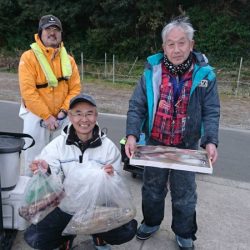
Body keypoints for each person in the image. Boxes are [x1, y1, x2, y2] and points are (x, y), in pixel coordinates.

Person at [125, 16, 220, 250]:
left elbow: (211, 111)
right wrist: (132, 135)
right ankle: (152, 222)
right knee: (152, 189)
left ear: (191, 44)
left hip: (186, 145)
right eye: (171, 44)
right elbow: (137, 106)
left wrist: (210, 141)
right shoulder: (152, 70)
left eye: (182, 43)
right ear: (164, 47)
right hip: (155, 141)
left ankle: (184, 232)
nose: (176, 49)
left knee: (185, 194)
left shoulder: (205, 75)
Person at [24, 93, 137, 250]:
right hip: (65, 206)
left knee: (127, 230)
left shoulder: (108, 148)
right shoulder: (56, 145)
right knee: (37, 238)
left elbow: (117, 187)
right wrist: (46, 170)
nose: (84, 119)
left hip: (97, 207)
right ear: (70, 116)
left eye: (89, 114)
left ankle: (98, 235)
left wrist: (112, 176)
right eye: (78, 114)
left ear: (96, 116)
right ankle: (66, 237)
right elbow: (53, 185)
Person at [18, 14, 81, 176]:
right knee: (34, 158)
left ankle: (56, 194)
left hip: (62, 115)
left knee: (62, 157)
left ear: (61, 34)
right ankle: (32, 194)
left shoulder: (69, 60)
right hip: (36, 115)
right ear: (40, 33)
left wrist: (63, 111)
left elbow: (75, 90)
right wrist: (46, 116)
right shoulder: (28, 58)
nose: (52, 33)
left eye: (56, 29)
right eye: (48, 29)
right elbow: (28, 92)